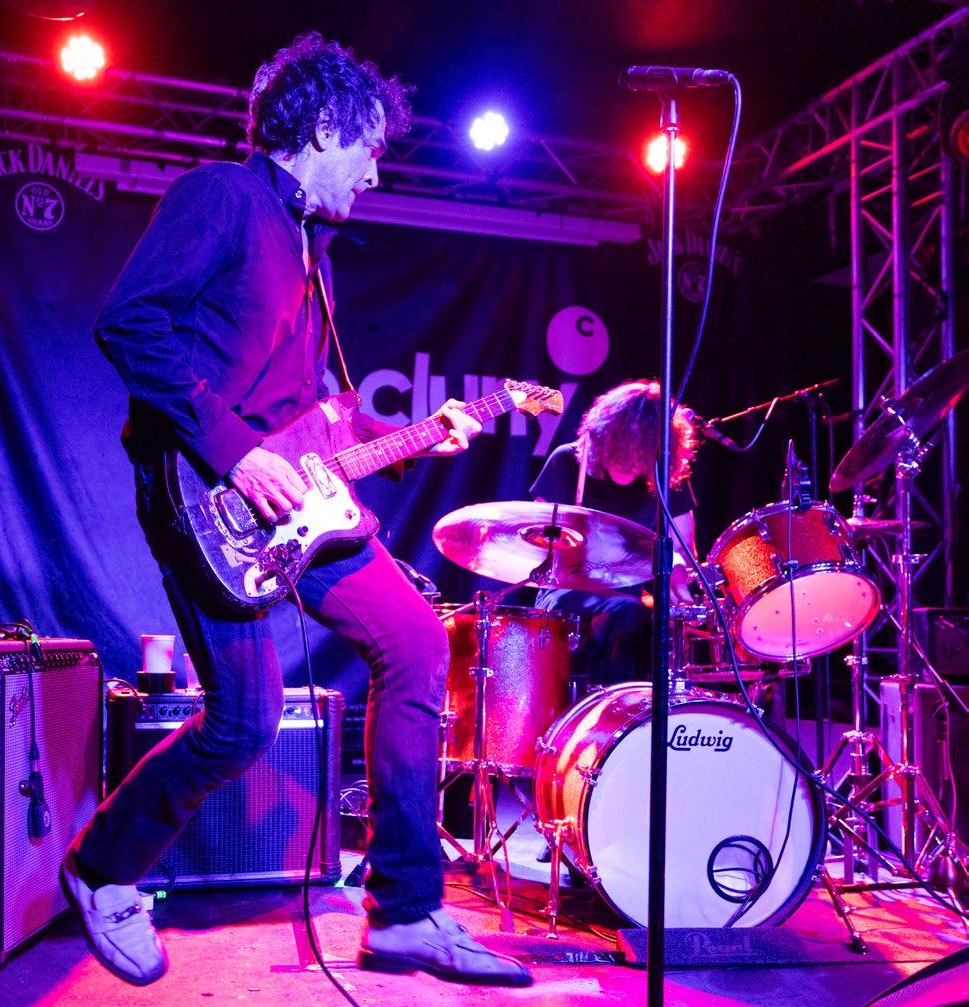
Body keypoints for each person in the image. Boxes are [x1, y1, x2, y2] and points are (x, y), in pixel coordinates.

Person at [60, 32, 532, 989]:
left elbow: (316, 410)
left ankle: (406, 912)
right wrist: (235, 452)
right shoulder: (223, 198)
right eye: (368, 151)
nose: (373, 175)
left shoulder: (315, 256)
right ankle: (102, 868)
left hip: (302, 506)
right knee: (244, 721)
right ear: (323, 129)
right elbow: (130, 323)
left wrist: (414, 436)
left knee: (416, 642)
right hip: (205, 497)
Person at [529, 379, 699, 686]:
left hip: (628, 596)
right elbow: (536, 538)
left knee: (655, 622)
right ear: (605, 437)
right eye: (624, 451)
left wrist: (681, 592)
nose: (631, 465)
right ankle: (610, 707)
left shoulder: (664, 476)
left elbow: (682, 548)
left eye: (641, 455)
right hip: (564, 590)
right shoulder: (568, 461)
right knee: (627, 612)